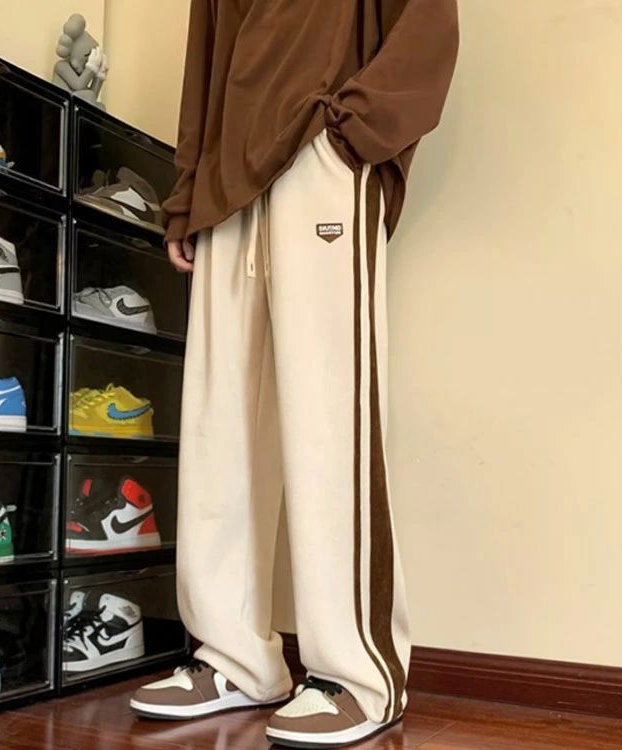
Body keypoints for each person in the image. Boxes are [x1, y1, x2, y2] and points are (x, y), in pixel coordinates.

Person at [130, 2, 459, 747]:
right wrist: (188, 190)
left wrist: (352, 135)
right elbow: (207, 54)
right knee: (221, 422)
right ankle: (235, 656)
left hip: (321, 153)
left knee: (327, 417)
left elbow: (428, 23)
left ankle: (357, 673)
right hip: (226, 180)